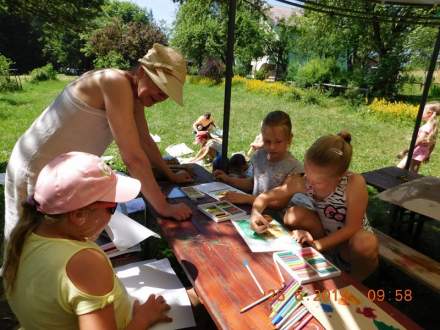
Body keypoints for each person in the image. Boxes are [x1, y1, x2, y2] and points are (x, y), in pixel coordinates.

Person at [4, 43, 193, 244]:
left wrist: (170, 174)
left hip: (60, 175)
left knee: (58, 245)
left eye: (168, 93)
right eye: (162, 86)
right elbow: (133, 157)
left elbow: (145, 141)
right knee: (27, 243)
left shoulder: (132, 93)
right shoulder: (115, 82)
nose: (163, 97)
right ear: (141, 72)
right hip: (36, 167)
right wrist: (163, 207)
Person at [3, 152, 172, 329]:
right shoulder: (84, 261)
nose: (112, 215)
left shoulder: (27, 234)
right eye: (111, 207)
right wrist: (143, 318)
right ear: (79, 215)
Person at [250, 132, 378, 281]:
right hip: (326, 236)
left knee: (364, 242)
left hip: (351, 246)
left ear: (341, 176)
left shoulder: (353, 183)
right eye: (308, 175)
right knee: (294, 214)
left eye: (317, 182)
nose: (309, 184)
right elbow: (265, 197)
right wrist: (255, 213)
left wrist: (317, 244)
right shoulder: (304, 181)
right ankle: (325, 261)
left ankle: (355, 282)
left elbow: (352, 227)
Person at [213, 110, 303, 205]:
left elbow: (279, 203)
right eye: (267, 141)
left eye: (278, 142)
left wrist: (247, 198)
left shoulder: (295, 169)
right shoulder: (259, 156)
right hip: (254, 211)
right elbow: (253, 183)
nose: (272, 147)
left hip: (274, 218)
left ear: (289, 139)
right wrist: (228, 179)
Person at [397, 102, 439, 173]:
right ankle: (411, 182)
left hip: (415, 151)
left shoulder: (426, 127)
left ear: (429, 113)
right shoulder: (433, 127)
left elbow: (420, 139)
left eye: (422, 111)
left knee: (399, 168)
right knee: (413, 171)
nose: (420, 113)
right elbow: (433, 143)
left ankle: (393, 181)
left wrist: (407, 149)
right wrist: (428, 155)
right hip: (422, 154)